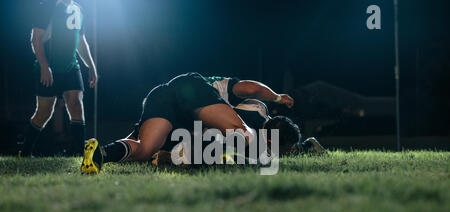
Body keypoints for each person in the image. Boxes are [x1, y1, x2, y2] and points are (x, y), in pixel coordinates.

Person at [81, 72, 297, 174]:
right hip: (191, 90)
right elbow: (251, 90)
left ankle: (102, 153)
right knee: (240, 131)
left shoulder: (239, 107)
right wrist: (277, 97)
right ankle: (264, 159)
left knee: (144, 149)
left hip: (161, 96)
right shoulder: (235, 97)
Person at [20, 0, 98, 157]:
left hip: (71, 66)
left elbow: (81, 41)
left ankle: (78, 153)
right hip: (49, 66)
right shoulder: (46, 6)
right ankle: (26, 151)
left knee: (76, 104)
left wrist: (91, 66)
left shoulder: (79, 9)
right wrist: (44, 66)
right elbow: (36, 39)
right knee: (44, 112)